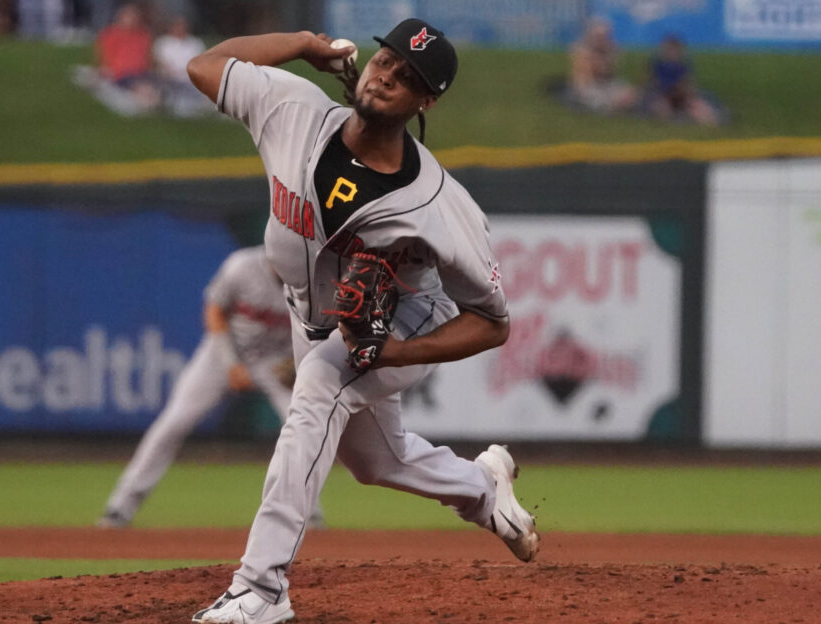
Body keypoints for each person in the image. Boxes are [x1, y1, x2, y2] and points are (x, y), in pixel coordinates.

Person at [184, 18, 539, 624]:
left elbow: (492, 322)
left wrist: (396, 353)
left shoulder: (438, 205)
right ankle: (483, 488)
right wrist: (301, 46)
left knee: (320, 388)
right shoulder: (292, 109)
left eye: (407, 78)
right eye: (385, 61)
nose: (386, 77)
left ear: (424, 101)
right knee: (376, 461)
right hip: (310, 314)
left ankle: (262, 588)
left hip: (400, 322)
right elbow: (205, 66)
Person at [98, 245, 322, 530]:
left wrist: (297, 362)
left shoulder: (314, 280)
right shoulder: (243, 266)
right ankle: (121, 506)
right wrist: (231, 365)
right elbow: (214, 312)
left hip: (275, 362)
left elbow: (320, 330)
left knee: (303, 428)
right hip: (221, 354)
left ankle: (308, 511)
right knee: (174, 422)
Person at [567, 17, 637, 114]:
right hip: (589, 85)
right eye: (599, 36)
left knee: (630, 93)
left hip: (607, 84)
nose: (603, 39)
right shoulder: (581, 50)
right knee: (598, 102)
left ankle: (616, 105)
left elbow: (610, 72)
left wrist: (607, 56)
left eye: (605, 35)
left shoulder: (612, 49)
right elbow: (589, 74)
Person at [645, 34, 719, 126]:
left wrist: (686, 93)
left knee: (697, 107)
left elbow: (688, 83)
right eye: (669, 49)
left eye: (674, 49)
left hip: (681, 96)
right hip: (664, 95)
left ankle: (711, 120)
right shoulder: (658, 64)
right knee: (661, 108)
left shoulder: (683, 65)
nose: (672, 52)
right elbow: (652, 83)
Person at [152, 15, 212, 117]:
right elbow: (158, 62)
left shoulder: (195, 43)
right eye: (177, 25)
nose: (179, 28)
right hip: (170, 79)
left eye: (182, 25)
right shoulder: (163, 43)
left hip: (190, 78)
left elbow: (201, 63)